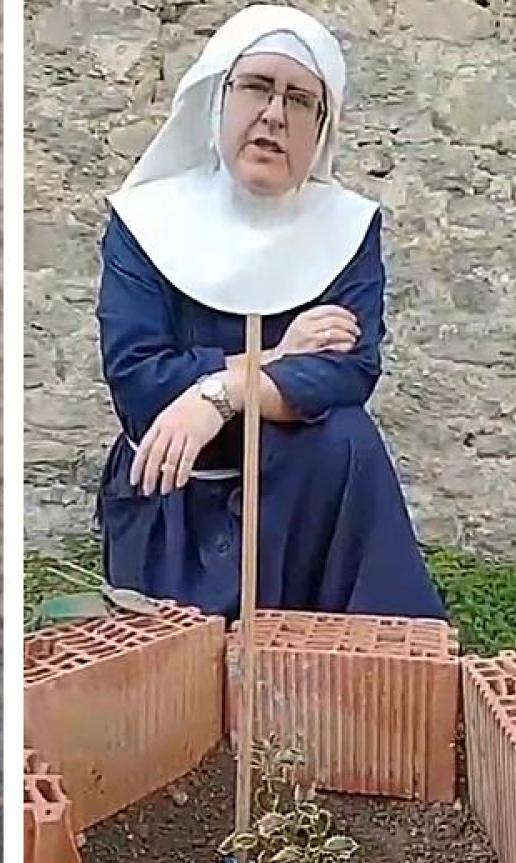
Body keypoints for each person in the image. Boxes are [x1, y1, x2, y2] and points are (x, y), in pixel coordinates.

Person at [94, 5, 446, 621]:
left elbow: (348, 370)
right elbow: (140, 381)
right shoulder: (147, 222)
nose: (274, 114)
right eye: (257, 86)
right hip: (179, 505)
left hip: (303, 505)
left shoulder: (347, 229)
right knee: (181, 677)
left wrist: (224, 392)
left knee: (345, 434)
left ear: (322, 125)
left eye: (300, 99)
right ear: (219, 96)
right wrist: (277, 358)